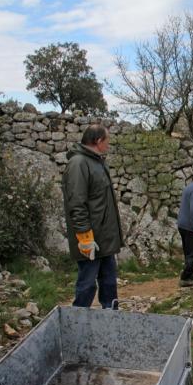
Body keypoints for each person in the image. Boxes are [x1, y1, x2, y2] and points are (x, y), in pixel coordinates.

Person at [62, 124, 124, 309]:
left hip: (104, 239)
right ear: (98, 141)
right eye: (107, 141)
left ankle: (110, 318)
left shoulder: (97, 162)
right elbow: (76, 202)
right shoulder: (78, 163)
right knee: (87, 285)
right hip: (91, 239)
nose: (108, 145)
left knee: (109, 284)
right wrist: (84, 236)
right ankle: (77, 322)